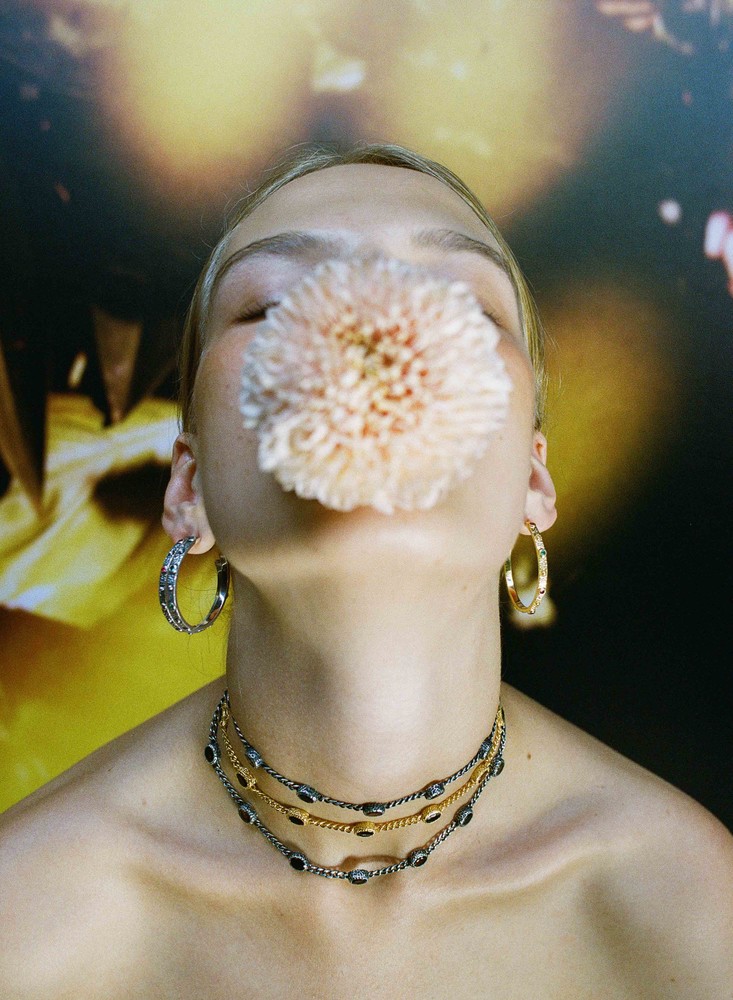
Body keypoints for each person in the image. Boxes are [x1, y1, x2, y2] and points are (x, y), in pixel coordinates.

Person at [1, 142, 731, 999]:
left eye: (461, 304)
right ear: (187, 488)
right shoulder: (26, 916)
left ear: (534, 480)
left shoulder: (692, 912)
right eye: (272, 306)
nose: (366, 332)